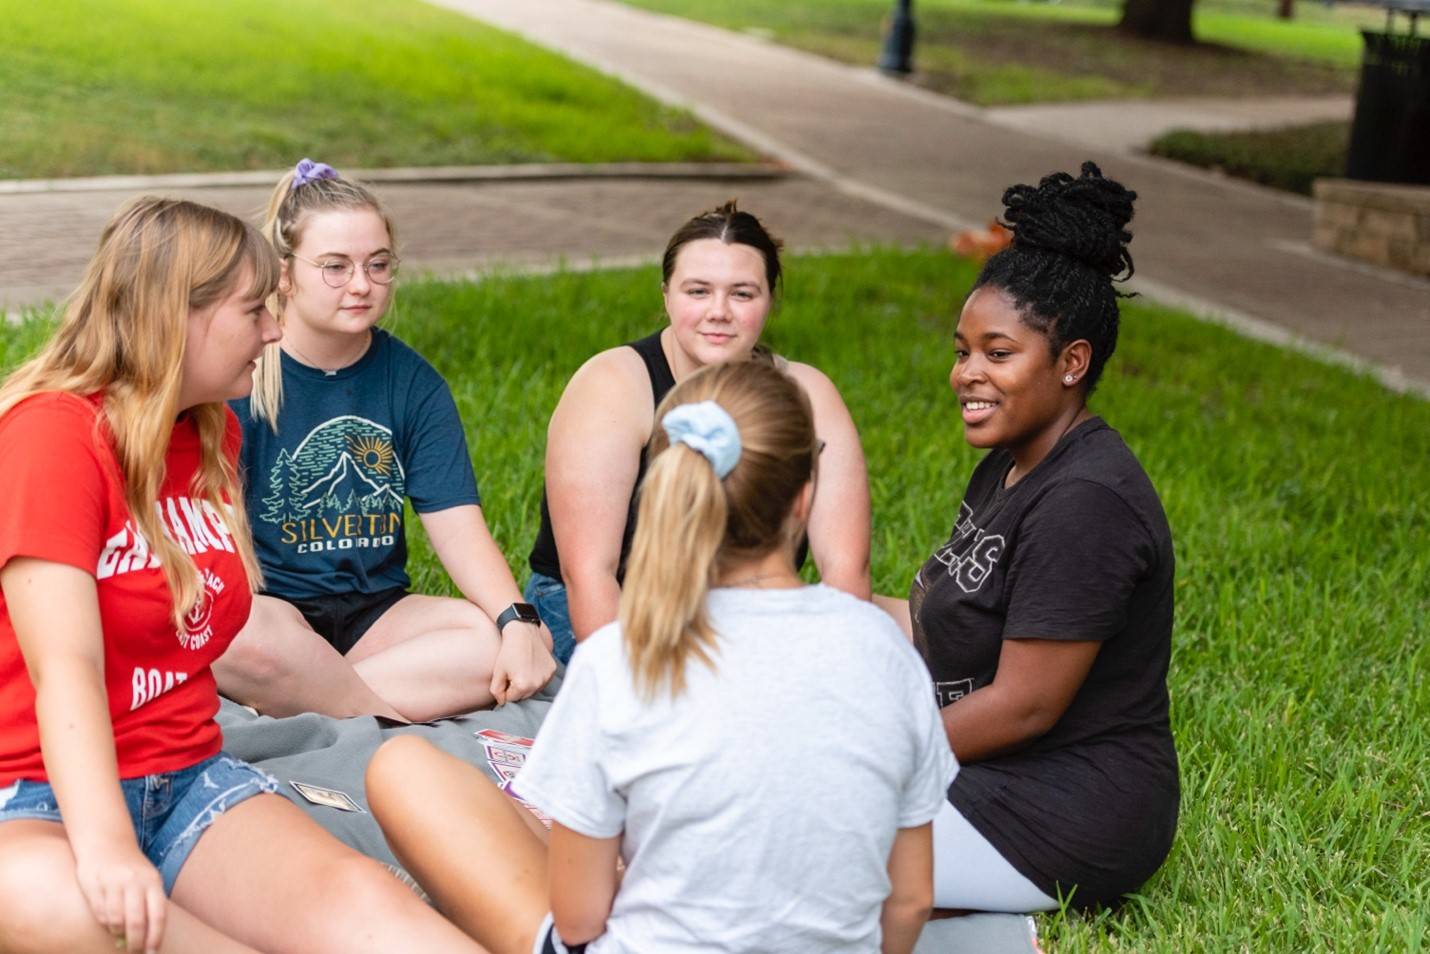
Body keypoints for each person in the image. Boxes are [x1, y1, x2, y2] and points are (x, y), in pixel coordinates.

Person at [0, 197, 484, 954]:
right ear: (178, 316)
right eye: (254, 309)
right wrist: (106, 848)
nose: (272, 329)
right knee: (88, 915)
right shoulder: (52, 436)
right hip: (34, 797)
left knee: (373, 910)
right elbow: (66, 668)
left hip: (184, 776)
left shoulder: (209, 430)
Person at [367, 360, 955, 954]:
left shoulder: (622, 660)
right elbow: (909, 900)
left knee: (405, 770)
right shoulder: (885, 648)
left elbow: (577, 920)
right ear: (804, 498)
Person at [886, 162, 1179, 912]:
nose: (966, 374)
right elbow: (932, 619)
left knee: (784, 838)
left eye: (997, 353)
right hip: (985, 772)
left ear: (1072, 362)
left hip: (1065, 810)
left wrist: (878, 755)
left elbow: (1025, 706)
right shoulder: (1012, 463)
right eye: (961, 351)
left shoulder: (1087, 502)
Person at [216, 159, 555, 722]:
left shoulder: (412, 382)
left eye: (378, 265)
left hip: (375, 618)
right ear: (284, 273)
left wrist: (518, 621)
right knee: (238, 635)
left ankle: (307, 712)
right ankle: (368, 710)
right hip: (273, 614)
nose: (361, 285)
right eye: (335, 266)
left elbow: (458, 528)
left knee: (488, 639)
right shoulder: (240, 377)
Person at [525, 200, 872, 664]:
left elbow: (846, 571)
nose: (719, 311)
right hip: (612, 616)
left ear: (770, 299)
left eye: (743, 294)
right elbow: (588, 574)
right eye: (698, 291)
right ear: (666, 294)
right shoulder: (614, 386)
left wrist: (831, 674)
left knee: (907, 631)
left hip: (752, 613)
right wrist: (632, 698)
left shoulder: (808, 394)